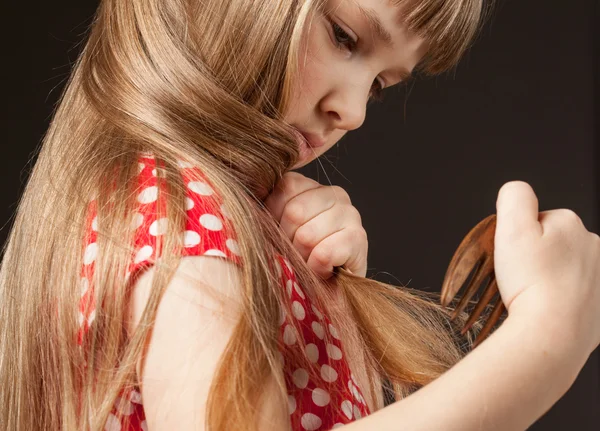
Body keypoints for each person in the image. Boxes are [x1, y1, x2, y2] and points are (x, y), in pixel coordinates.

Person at [1, 0, 598, 430]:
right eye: (344, 36)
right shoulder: (188, 221)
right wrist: (545, 343)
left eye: (382, 84)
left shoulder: (179, 210)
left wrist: (327, 315)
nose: (357, 110)